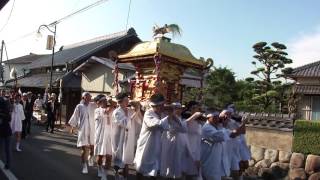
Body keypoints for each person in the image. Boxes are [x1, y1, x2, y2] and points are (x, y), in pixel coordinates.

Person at [160, 103, 202, 179]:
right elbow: (181, 127)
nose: (178, 110)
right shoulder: (169, 118)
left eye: (180, 108)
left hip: (182, 145)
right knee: (171, 167)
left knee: (181, 167)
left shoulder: (181, 118)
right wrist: (194, 116)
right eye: (176, 108)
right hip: (172, 144)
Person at [201, 112, 245, 180]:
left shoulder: (218, 127)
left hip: (217, 163)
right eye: (214, 117)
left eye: (217, 117)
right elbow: (221, 136)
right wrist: (224, 126)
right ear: (208, 118)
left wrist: (243, 123)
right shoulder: (206, 128)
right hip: (209, 162)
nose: (217, 119)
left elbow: (235, 134)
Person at [134, 93, 167, 179]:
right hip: (146, 145)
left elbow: (168, 127)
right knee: (141, 167)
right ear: (156, 106)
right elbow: (156, 124)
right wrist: (169, 116)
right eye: (162, 105)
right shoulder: (148, 113)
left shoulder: (163, 114)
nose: (163, 107)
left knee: (155, 170)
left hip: (157, 145)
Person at [69, 92, 96, 174]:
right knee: (84, 149)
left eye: (90, 96)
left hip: (93, 129)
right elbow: (75, 116)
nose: (89, 98)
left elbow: (102, 104)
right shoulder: (79, 106)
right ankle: (84, 165)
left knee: (93, 148)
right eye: (87, 96)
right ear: (83, 97)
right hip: (83, 129)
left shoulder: (93, 105)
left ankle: (91, 157)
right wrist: (72, 127)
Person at [111, 92, 135, 177]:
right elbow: (125, 123)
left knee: (126, 161)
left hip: (127, 137)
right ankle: (117, 174)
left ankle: (123, 176)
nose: (128, 102)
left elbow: (138, 119)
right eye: (126, 100)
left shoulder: (129, 110)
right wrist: (136, 112)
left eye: (128, 100)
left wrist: (138, 108)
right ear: (120, 102)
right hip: (119, 138)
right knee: (119, 158)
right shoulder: (117, 112)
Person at [94, 95, 111, 180]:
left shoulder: (111, 109)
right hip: (100, 135)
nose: (105, 102)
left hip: (109, 135)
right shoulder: (97, 110)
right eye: (103, 101)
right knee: (100, 155)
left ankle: (105, 173)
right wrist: (108, 110)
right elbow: (102, 115)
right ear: (99, 103)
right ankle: (99, 168)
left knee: (108, 156)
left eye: (105, 100)